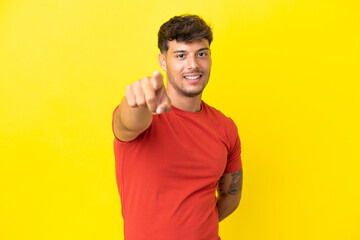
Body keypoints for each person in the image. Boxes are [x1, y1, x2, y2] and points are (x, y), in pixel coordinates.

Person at [112, 14, 243, 240]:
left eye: (201, 54)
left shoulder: (225, 127)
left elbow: (231, 195)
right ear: (163, 61)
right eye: (181, 55)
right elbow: (128, 123)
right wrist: (136, 101)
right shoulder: (145, 114)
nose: (193, 64)